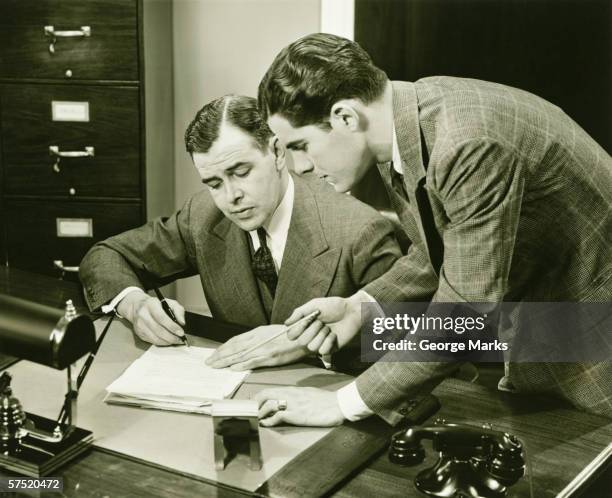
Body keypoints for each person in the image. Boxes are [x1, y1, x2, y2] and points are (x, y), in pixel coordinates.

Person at [249, 33, 612, 426]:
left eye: (300, 145)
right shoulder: (404, 125)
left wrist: (340, 404)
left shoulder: (465, 143)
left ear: (345, 117)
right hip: (547, 334)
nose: (299, 166)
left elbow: (464, 314)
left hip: (596, 349)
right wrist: (359, 308)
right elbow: (439, 248)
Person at [79, 95, 402, 370]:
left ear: (276, 153)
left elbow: (413, 345)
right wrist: (135, 305)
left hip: (327, 406)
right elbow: (107, 255)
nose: (230, 197)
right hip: (233, 401)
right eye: (214, 183)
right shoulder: (203, 215)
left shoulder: (359, 231)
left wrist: (311, 345)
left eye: (241, 172)